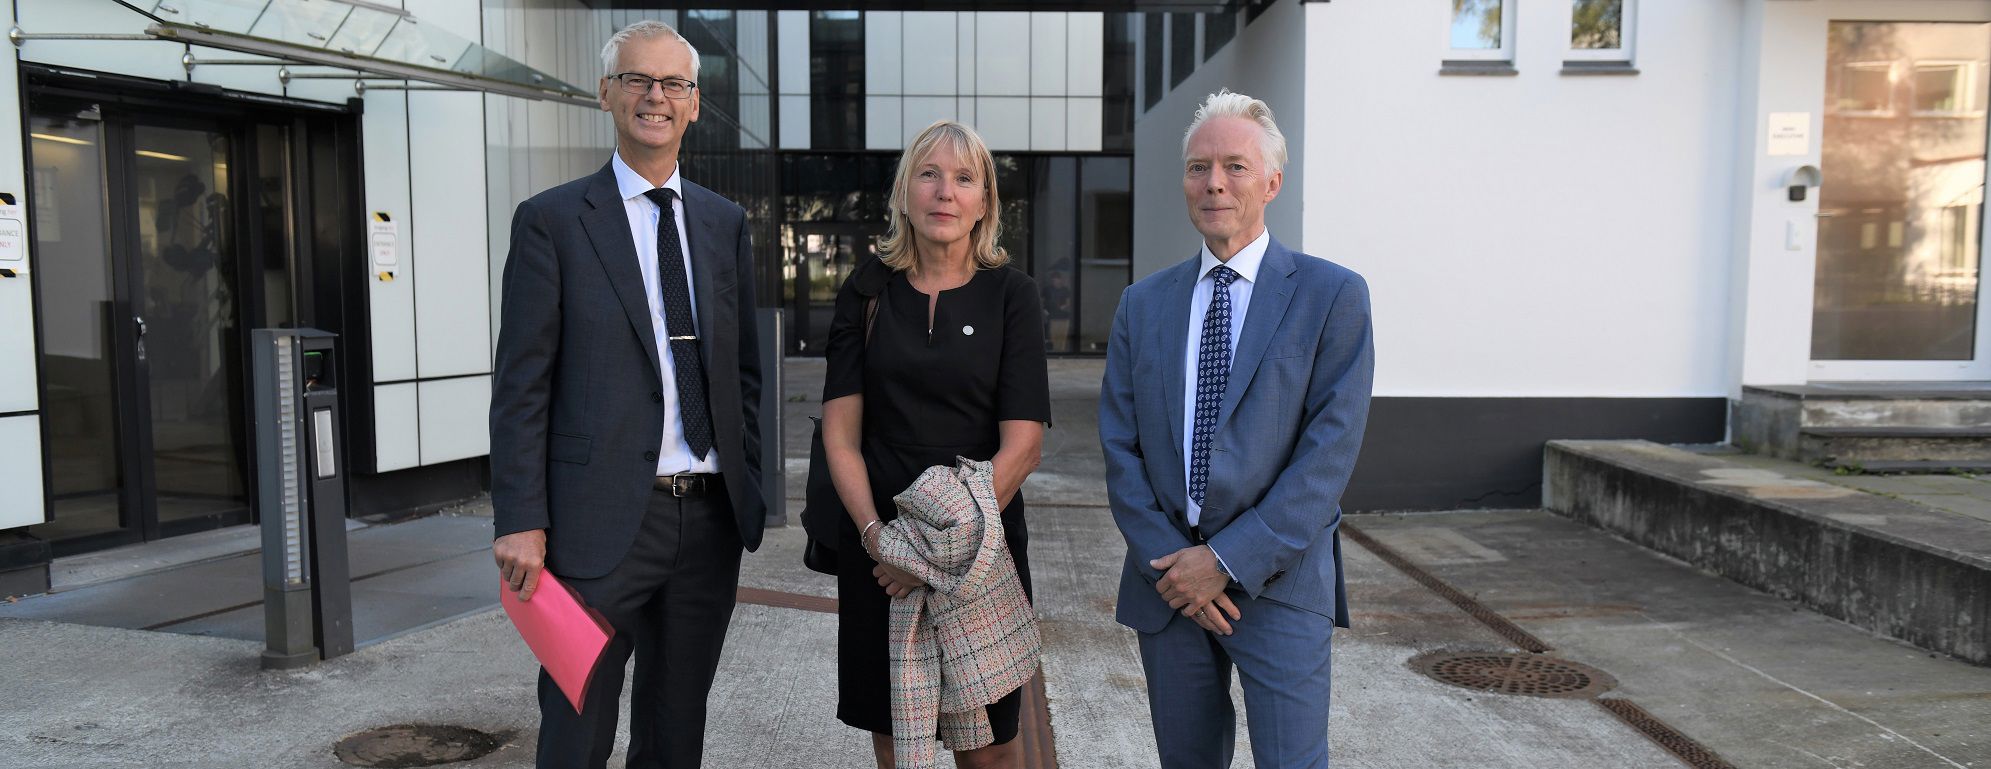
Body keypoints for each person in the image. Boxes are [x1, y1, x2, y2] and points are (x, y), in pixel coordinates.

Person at [488, 20, 764, 769]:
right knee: (575, 734)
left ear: (695, 104)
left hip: (706, 521)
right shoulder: (551, 222)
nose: (655, 97)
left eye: (673, 83)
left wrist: (751, 488)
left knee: (675, 736)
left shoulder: (722, 223)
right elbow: (521, 385)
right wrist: (520, 518)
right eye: (638, 80)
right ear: (607, 93)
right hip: (592, 525)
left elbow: (743, 375)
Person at [1098, 89, 1374, 769]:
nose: (1213, 182)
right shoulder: (1143, 303)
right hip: (1168, 590)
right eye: (1198, 167)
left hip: (1276, 586)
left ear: (1272, 182)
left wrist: (1222, 562)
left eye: (1234, 166)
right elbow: (1119, 445)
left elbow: (1326, 456)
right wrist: (1174, 563)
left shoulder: (1331, 296)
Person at [821, 120, 1051, 769]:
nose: (943, 192)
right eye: (928, 174)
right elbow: (840, 437)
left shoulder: (1014, 296)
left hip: (980, 557)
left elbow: (1024, 445)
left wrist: (934, 553)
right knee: (897, 739)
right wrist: (878, 539)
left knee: (990, 748)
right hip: (879, 562)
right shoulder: (865, 293)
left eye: (963, 178)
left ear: (984, 201)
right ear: (902, 193)